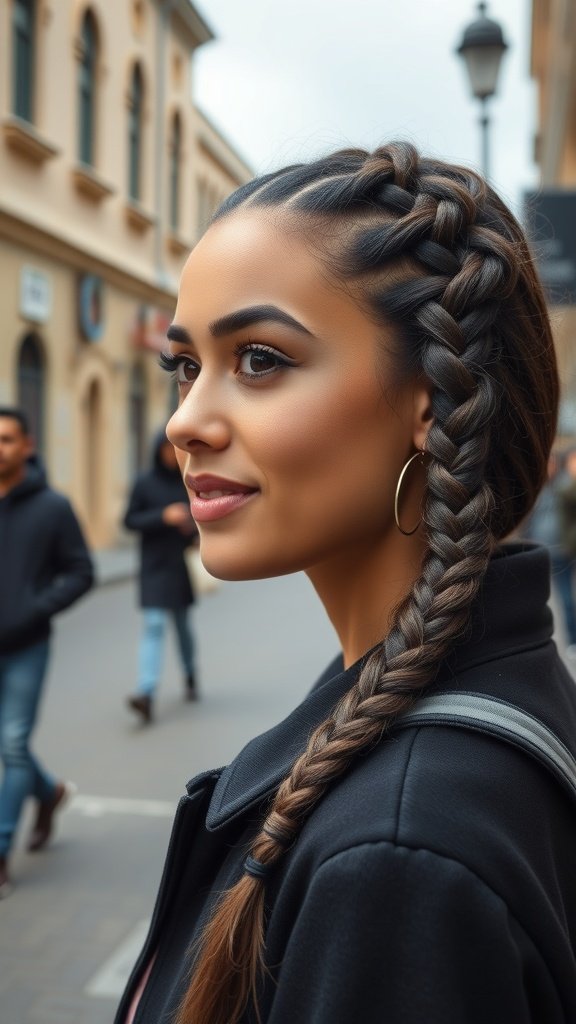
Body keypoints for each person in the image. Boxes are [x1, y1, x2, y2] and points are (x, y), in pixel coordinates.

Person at [115, 142, 576, 1024]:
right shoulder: (470, 689)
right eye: (184, 365)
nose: (185, 422)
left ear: (431, 400)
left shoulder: (396, 860)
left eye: (259, 359)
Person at [0, 407, 93, 897]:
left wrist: (33, 610)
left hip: (25, 646)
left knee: (12, 744)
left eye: (8, 439)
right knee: (7, 745)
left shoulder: (52, 507)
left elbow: (82, 572)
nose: (0, 447)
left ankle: (0, 851)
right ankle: (50, 793)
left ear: (27, 447)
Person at [124, 431, 198, 723]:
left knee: (182, 627)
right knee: (154, 626)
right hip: (153, 567)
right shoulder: (144, 483)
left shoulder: (187, 479)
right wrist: (161, 517)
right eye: (166, 449)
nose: (170, 454)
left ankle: (190, 673)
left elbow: (200, 521)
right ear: (157, 450)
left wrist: (188, 527)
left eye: (174, 449)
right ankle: (146, 693)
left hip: (179, 566)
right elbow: (129, 520)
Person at [524, 451, 576, 656]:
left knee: (566, 596)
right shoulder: (538, 488)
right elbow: (530, 518)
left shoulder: (565, 485)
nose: (549, 467)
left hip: (565, 548)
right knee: (546, 598)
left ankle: (572, 638)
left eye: (553, 463)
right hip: (543, 549)